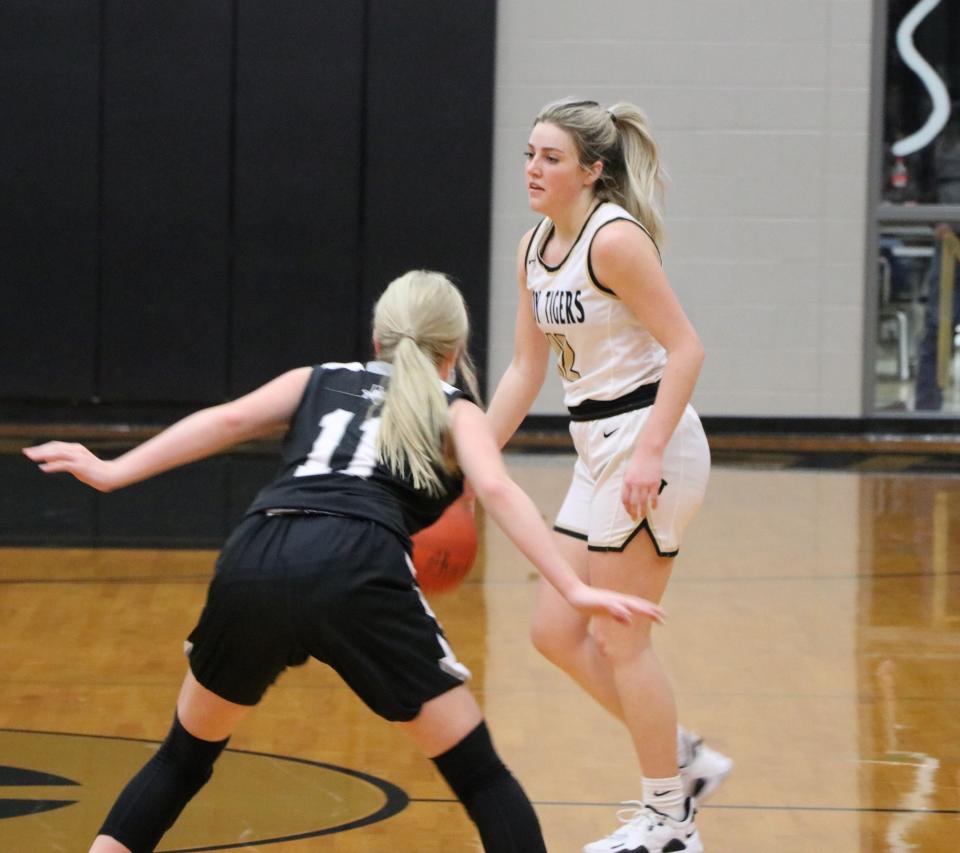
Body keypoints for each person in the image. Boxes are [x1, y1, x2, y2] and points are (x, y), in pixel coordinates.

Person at [23, 270, 667, 853]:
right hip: (359, 563)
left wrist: (111, 471)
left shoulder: (317, 378)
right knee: (481, 775)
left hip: (259, 550)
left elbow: (225, 421)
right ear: (456, 349)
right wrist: (573, 591)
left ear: (377, 335)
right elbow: (496, 489)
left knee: (181, 759)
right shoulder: (454, 409)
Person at [485, 98, 731, 853]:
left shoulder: (615, 240)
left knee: (622, 640)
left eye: (551, 157)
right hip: (596, 448)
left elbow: (686, 349)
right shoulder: (535, 247)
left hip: (649, 444)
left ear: (592, 171)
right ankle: (682, 756)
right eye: (529, 153)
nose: (533, 168)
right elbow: (528, 367)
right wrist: (474, 456)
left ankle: (671, 824)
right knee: (555, 629)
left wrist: (651, 451)